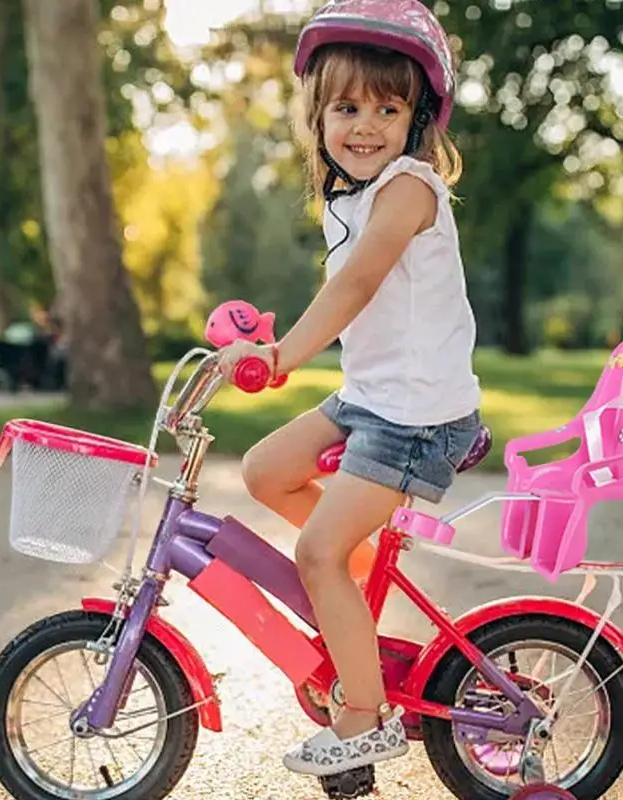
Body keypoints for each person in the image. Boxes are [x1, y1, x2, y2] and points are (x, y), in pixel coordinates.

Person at [218, 0, 482, 778]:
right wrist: (253, 341)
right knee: (266, 470)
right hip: (374, 399)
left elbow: (358, 286)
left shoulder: (408, 188)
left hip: (417, 419)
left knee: (315, 551)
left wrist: (284, 354)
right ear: (318, 116)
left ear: (418, 119)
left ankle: (362, 718)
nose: (364, 125)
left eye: (387, 107)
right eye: (346, 107)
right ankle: (357, 570)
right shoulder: (349, 198)